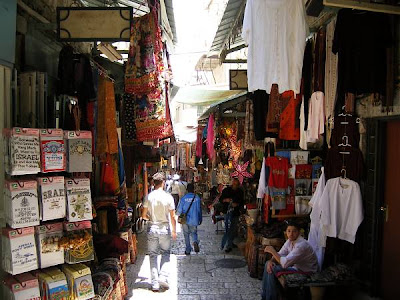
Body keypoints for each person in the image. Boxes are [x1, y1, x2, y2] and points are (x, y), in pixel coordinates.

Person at [262, 221, 318, 300]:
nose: (291, 234)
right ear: (286, 232)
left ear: (298, 232)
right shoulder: (289, 241)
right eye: (289, 231)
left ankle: (270, 298)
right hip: (295, 267)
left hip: (306, 271)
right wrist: (271, 261)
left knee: (273, 269)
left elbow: (285, 264)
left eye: (294, 231)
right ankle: (264, 296)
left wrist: (272, 251)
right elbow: (281, 253)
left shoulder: (301, 245)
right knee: (268, 264)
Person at [141, 172, 177, 292]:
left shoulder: (149, 197)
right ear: (163, 182)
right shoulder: (168, 197)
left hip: (152, 228)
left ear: (153, 183)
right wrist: (174, 231)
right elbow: (172, 216)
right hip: (164, 228)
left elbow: (143, 215)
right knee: (166, 253)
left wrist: (150, 218)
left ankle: (155, 284)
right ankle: (163, 276)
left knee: (153, 255)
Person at [177, 183, 202, 255]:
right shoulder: (197, 198)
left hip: (185, 220)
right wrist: (200, 219)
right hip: (194, 219)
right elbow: (199, 210)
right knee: (194, 232)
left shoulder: (183, 198)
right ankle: (195, 242)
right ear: (193, 189)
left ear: (187, 190)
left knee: (186, 234)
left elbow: (179, 211)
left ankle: (188, 249)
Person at [220, 178, 244, 253]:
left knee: (233, 230)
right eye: (234, 184)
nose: (235, 186)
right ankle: (228, 245)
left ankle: (230, 243)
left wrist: (237, 204)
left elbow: (242, 202)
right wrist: (226, 200)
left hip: (235, 213)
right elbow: (221, 200)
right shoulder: (226, 190)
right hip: (227, 212)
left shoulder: (240, 192)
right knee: (228, 229)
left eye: (237, 185)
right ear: (232, 184)